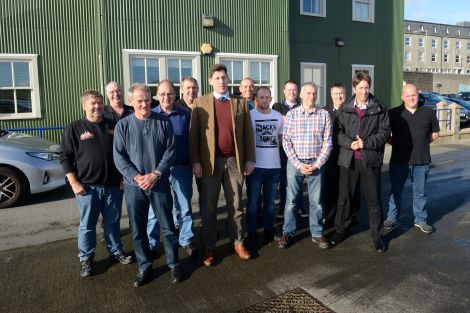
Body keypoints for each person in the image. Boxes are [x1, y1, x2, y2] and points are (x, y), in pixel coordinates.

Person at [113, 83, 181, 287]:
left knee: (167, 227)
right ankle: (145, 266)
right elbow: (119, 157)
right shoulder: (123, 126)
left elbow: (170, 151)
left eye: (147, 100)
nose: (144, 104)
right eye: (139, 101)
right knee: (138, 229)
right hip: (134, 187)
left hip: (158, 183)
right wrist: (136, 177)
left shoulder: (163, 122)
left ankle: (174, 264)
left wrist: (156, 174)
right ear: (131, 101)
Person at [60, 90, 132, 278]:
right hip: (87, 188)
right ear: (84, 106)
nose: (97, 106)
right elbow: (65, 157)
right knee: (88, 225)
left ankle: (115, 251)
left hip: (113, 186)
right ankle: (86, 258)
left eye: (100, 103)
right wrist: (74, 182)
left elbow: (124, 152)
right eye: (92, 103)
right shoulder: (74, 128)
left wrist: (124, 176)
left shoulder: (114, 125)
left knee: (113, 222)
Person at [189, 63, 255, 267]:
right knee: (208, 207)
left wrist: (250, 159)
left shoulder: (240, 104)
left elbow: (247, 134)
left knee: (235, 205)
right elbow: (194, 137)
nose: (221, 81)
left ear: (228, 80)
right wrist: (196, 162)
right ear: (210, 81)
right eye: (217, 78)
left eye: (224, 78)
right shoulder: (200, 103)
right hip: (210, 163)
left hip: (234, 162)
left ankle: (238, 242)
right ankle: (209, 246)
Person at [331, 72, 391, 253]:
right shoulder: (345, 108)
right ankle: (341, 229)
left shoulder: (379, 108)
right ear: (354, 88)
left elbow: (384, 132)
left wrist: (366, 143)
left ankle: (377, 236)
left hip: (370, 160)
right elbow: (338, 132)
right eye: (360, 88)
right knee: (344, 198)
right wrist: (350, 143)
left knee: (374, 200)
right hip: (348, 160)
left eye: (367, 87)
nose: (364, 91)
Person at [274, 82, 332, 250]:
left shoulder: (324, 115)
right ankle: (288, 232)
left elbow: (327, 143)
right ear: (301, 95)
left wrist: (317, 164)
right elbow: (286, 142)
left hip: (316, 163)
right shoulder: (292, 115)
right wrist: (298, 164)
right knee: (291, 201)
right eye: (308, 93)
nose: (311, 96)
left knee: (316, 202)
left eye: (314, 93)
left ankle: (317, 233)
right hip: (295, 163)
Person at [147, 80, 198, 256]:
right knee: (154, 210)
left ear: (175, 95)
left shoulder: (185, 115)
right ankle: (152, 244)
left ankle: (186, 239)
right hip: (157, 172)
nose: (166, 97)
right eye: (162, 94)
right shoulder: (151, 115)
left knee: (184, 207)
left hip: (181, 168)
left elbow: (193, 141)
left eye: (169, 94)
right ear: (157, 96)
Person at [385, 83, 439, 233]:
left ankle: (420, 219)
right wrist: (399, 145)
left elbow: (435, 133)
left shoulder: (428, 112)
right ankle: (392, 217)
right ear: (402, 97)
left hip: (421, 160)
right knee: (395, 191)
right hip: (399, 160)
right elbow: (386, 136)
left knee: (420, 192)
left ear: (418, 94)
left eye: (414, 94)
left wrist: (421, 143)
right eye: (408, 95)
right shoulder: (393, 113)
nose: (411, 98)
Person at [246, 86, 283, 250]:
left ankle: (268, 229)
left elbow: (282, 139)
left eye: (267, 97)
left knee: (269, 203)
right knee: (253, 203)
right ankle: (252, 232)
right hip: (256, 166)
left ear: (271, 98)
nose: (265, 100)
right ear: (256, 99)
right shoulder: (250, 116)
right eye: (261, 97)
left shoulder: (278, 117)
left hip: (274, 166)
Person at [272, 80, 307, 219]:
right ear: (284, 91)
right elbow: (276, 122)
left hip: (299, 148)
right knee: (284, 180)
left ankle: (300, 206)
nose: (292, 92)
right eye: (289, 90)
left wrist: (285, 119)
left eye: (294, 90)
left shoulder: (302, 105)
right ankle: (283, 207)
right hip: (282, 149)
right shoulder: (277, 106)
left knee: (298, 179)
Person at [322, 83, 347, 228]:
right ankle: (329, 214)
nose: (339, 96)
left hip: (346, 155)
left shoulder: (351, 110)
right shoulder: (324, 111)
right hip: (329, 156)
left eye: (341, 93)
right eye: (336, 93)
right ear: (331, 95)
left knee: (344, 187)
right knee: (329, 187)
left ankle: (346, 215)